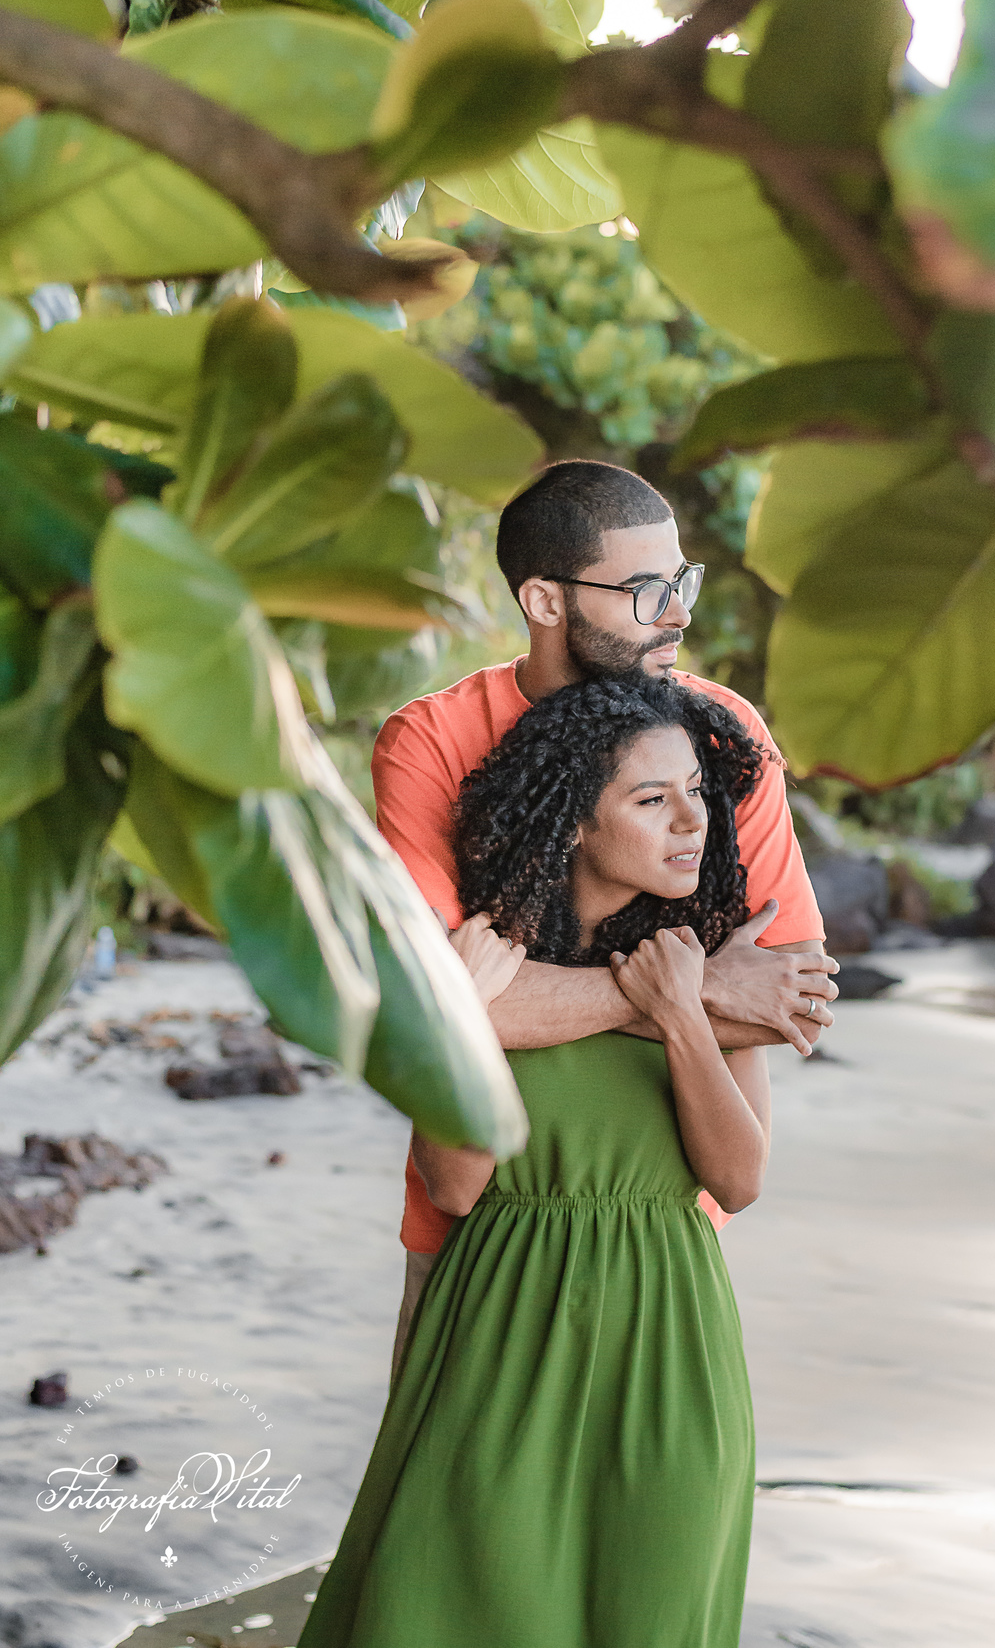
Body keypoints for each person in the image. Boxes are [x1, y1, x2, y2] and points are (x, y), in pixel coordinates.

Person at [298, 679, 772, 1648]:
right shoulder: (490, 963)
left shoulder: (720, 961)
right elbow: (458, 1182)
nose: (693, 820)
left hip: (670, 1358)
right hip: (500, 1344)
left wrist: (682, 1012)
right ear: (573, 824)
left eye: (696, 791)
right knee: (444, 1606)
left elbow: (738, 1179)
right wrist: (462, 1025)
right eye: (653, 799)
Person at [372, 460, 838, 1373]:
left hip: (666, 1231)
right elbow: (431, 1009)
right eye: (644, 590)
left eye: (682, 582)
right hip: (470, 1229)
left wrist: (514, 997)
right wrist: (676, 991)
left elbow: (793, 998)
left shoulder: (724, 736)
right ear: (544, 600)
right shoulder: (431, 741)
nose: (678, 614)